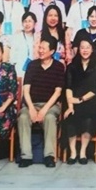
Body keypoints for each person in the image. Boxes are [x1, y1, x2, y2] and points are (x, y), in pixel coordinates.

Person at [18, 35, 65, 168]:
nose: (40, 50)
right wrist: (32, 108)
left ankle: (49, 156)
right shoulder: (32, 65)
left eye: (44, 48)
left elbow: (57, 92)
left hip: (50, 105)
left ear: (52, 51)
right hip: (31, 104)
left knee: (49, 118)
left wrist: (44, 110)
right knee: (23, 117)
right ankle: (26, 156)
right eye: (39, 47)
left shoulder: (58, 67)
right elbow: (26, 90)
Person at [63, 36, 96, 165]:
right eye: (82, 48)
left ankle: (83, 152)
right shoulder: (72, 66)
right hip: (73, 101)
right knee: (70, 115)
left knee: (89, 118)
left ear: (92, 49)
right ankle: (73, 152)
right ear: (78, 50)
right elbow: (68, 87)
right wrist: (71, 104)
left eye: (87, 47)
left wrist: (80, 99)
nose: (85, 50)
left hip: (90, 100)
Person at [10, 11, 37, 78]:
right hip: (19, 70)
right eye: (25, 21)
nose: (27, 24)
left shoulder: (38, 37)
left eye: (30, 21)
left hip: (34, 71)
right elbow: (12, 57)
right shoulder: (17, 37)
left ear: (35, 23)